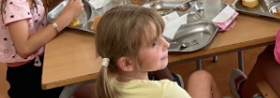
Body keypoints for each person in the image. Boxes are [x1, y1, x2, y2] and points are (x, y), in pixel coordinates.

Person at [93, 5, 222, 98]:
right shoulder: (167, 91)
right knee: (201, 77)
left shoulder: (106, 82)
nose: (166, 44)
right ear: (127, 63)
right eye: (154, 43)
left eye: (162, 36)